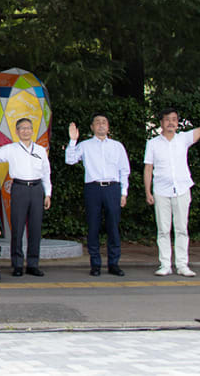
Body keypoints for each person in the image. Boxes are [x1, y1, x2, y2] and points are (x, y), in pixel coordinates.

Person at [144, 101, 200, 277]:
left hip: (182, 189)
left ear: (178, 122)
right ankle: (165, 265)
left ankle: (182, 265)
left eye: (174, 119)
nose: (171, 122)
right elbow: (148, 168)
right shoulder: (153, 143)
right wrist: (148, 191)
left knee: (182, 228)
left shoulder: (183, 138)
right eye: (167, 119)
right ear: (161, 122)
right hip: (161, 191)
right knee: (163, 229)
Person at [0, 118, 51, 277]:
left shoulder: (40, 150)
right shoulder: (10, 149)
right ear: (17, 131)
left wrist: (48, 194)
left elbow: (46, 173)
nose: (26, 131)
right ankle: (17, 264)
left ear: (32, 130)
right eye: (22, 128)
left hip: (37, 189)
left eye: (28, 128)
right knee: (18, 228)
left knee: (35, 229)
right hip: (19, 188)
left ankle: (33, 264)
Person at [65, 114, 130, 277]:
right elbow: (70, 160)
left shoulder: (117, 146)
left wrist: (124, 192)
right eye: (97, 123)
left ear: (108, 127)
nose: (101, 125)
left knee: (113, 227)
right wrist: (73, 141)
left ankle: (114, 264)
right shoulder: (85, 145)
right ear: (92, 127)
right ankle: (95, 264)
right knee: (93, 227)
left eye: (104, 122)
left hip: (112, 188)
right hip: (93, 189)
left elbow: (124, 170)